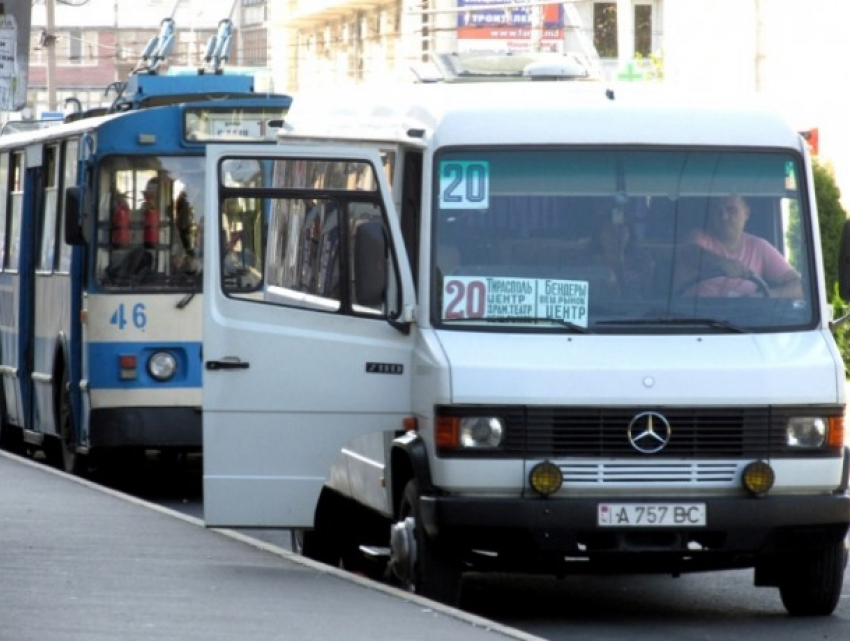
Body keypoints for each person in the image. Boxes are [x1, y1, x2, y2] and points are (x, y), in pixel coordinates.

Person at [677, 195, 802, 297]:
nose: (724, 217)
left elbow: (799, 286)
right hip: (696, 319)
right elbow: (691, 252)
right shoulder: (699, 237)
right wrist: (720, 263)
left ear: (746, 213)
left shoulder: (759, 247)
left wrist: (764, 297)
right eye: (717, 210)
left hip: (744, 322)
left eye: (731, 210)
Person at [587, 213, 654, 299]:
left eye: (621, 230)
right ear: (599, 235)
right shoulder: (588, 263)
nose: (616, 236)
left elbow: (647, 298)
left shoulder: (642, 263)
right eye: (610, 231)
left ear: (630, 233)